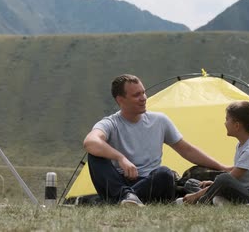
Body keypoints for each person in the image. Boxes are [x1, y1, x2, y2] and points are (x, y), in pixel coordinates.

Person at [83, 74, 230, 206]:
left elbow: (187, 150)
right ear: (120, 100)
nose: (143, 98)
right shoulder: (111, 123)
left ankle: (125, 199)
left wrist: (223, 168)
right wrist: (120, 157)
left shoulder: (159, 121)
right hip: (119, 182)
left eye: (143, 92)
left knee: (165, 173)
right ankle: (126, 197)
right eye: (136, 95)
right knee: (95, 155)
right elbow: (90, 142)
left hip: (150, 183)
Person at [181, 100, 249, 205]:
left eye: (227, 119)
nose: (225, 123)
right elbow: (232, 179)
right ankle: (216, 200)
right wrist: (214, 184)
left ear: (237, 126)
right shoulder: (242, 144)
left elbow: (230, 179)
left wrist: (196, 195)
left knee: (223, 179)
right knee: (191, 183)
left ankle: (201, 201)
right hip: (239, 190)